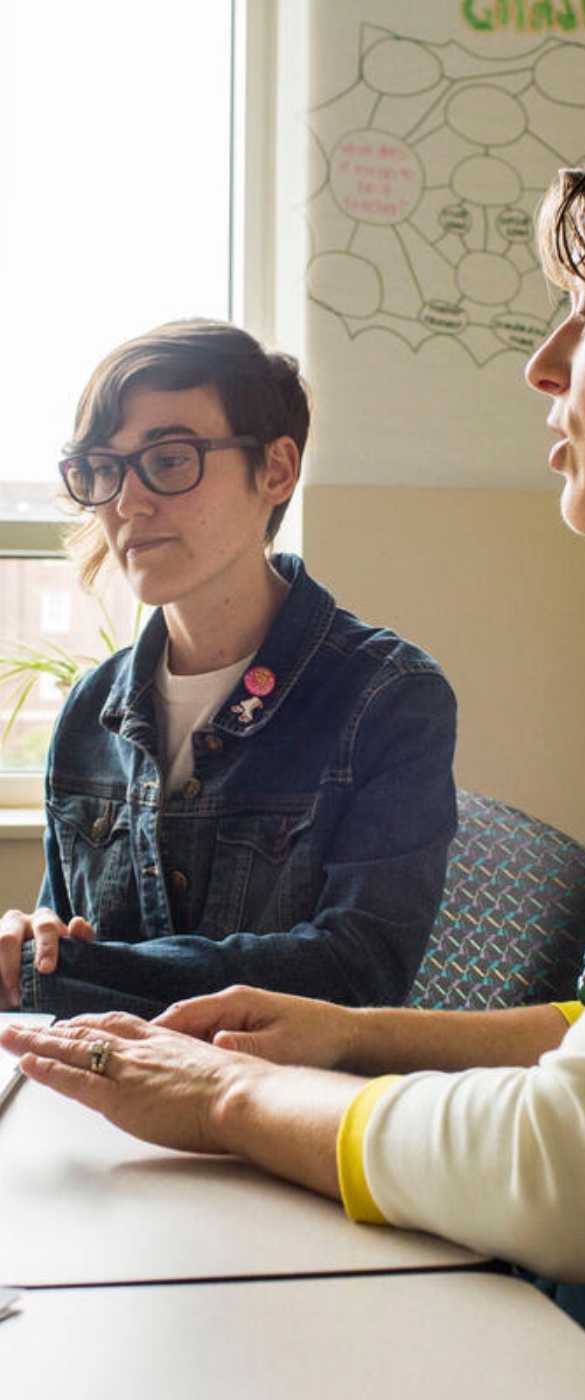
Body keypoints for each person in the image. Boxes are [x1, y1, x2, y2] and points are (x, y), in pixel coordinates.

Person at [4, 82, 585, 1398]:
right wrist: (345, 1039)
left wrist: (226, 1096)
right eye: (109, 467)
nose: (543, 365)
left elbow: (579, 1171)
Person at [0, 320, 457, 1018]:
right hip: (102, 1099)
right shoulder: (93, 711)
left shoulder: (388, 700)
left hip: (275, 1114)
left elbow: (358, 971)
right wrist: (34, 946)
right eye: (104, 467)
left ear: (275, 470)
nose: (127, 503)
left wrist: (70, 975)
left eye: (170, 459)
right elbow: (61, 945)